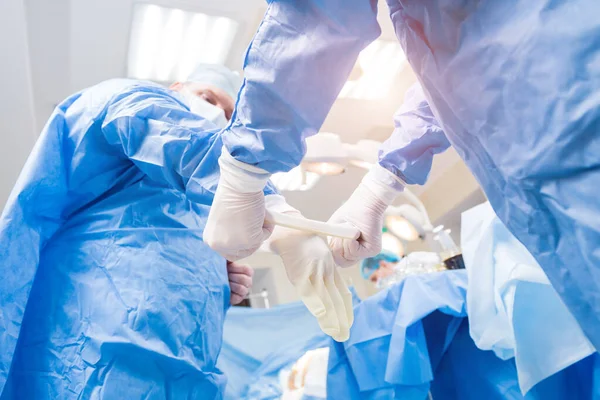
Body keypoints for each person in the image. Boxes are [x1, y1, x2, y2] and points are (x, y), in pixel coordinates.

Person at [203, 0, 600, 351]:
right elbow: (456, 64)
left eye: (220, 107)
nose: (210, 115)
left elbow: (321, 14)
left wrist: (246, 169)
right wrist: (381, 182)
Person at [0, 64, 351, 399]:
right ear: (176, 90)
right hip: (89, 353)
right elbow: (177, 138)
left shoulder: (203, 205)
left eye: (230, 116)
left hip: (187, 369)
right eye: (209, 98)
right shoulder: (129, 98)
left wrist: (212, 276)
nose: (217, 116)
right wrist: (273, 210)